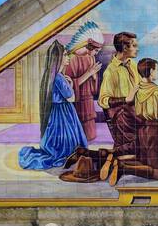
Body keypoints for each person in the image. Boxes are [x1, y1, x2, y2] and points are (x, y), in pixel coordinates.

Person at [18, 40, 87, 171]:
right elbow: (71, 98)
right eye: (66, 55)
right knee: (68, 142)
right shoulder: (59, 78)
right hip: (63, 114)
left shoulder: (53, 76)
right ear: (59, 58)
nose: (68, 57)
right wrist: (71, 85)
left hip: (56, 113)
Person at [97, 32, 141, 179]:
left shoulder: (133, 65)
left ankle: (112, 159)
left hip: (136, 114)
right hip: (122, 119)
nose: (137, 49)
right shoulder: (111, 71)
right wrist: (125, 99)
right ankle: (115, 160)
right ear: (124, 47)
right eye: (134, 46)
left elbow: (140, 87)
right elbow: (102, 100)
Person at [127, 58, 158, 180]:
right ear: (151, 71)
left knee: (145, 162)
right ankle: (123, 168)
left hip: (142, 130)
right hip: (157, 130)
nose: (157, 73)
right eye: (156, 70)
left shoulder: (137, 89)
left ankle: (122, 166)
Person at [60, 21, 103, 141]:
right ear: (89, 46)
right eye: (97, 50)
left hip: (88, 102)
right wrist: (89, 73)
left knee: (90, 136)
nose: (97, 53)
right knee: (76, 139)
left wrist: (94, 77)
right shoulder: (70, 59)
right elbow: (68, 87)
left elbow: (93, 88)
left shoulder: (91, 58)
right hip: (76, 103)